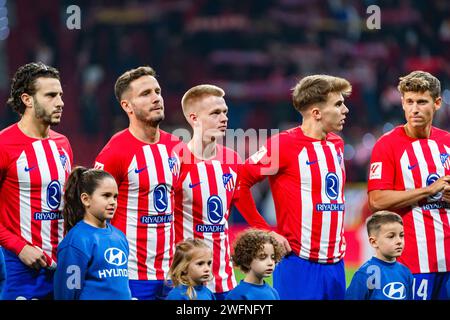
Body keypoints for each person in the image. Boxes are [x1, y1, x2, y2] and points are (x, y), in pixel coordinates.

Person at [238, 74, 352, 299]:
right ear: (316, 113)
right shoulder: (284, 144)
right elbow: (239, 183)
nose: (345, 109)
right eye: (338, 104)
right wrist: (266, 232)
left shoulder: (337, 144)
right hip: (299, 264)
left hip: (337, 265)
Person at [174, 84, 275, 299]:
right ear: (194, 118)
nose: (224, 118)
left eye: (225, 112)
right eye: (215, 113)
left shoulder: (232, 159)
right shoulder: (175, 161)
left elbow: (245, 205)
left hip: (224, 277)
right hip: (188, 280)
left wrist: (270, 233)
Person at [94, 66, 181, 300]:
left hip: (172, 276)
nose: (156, 98)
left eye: (157, 91)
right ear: (127, 106)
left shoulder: (177, 147)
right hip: (129, 275)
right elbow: (92, 212)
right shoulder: (115, 151)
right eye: (145, 94)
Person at [367, 71, 450, 300]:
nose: (414, 109)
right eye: (409, 101)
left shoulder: (447, 142)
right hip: (414, 261)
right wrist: (428, 190)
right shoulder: (387, 145)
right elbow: (376, 200)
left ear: (437, 103)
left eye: (422, 102)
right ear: (402, 103)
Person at [0, 62, 73, 300]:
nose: (60, 102)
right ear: (27, 99)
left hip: (61, 265)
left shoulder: (63, 144)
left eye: (60, 95)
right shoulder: (4, 144)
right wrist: (19, 247)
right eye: (51, 95)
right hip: (18, 267)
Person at [54, 167, 131, 300]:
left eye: (115, 197)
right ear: (86, 199)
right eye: (106, 196)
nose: (113, 202)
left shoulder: (120, 236)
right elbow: (67, 293)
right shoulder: (76, 241)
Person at [346, 211, 414, 300]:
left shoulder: (405, 272)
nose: (399, 241)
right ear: (374, 242)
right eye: (391, 236)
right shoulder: (366, 273)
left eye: (401, 235)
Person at [226, 229, 283, 300]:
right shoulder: (237, 295)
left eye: (273, 257)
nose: (270, 263)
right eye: (262, 257)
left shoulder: (273, 293)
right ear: (246, 261)